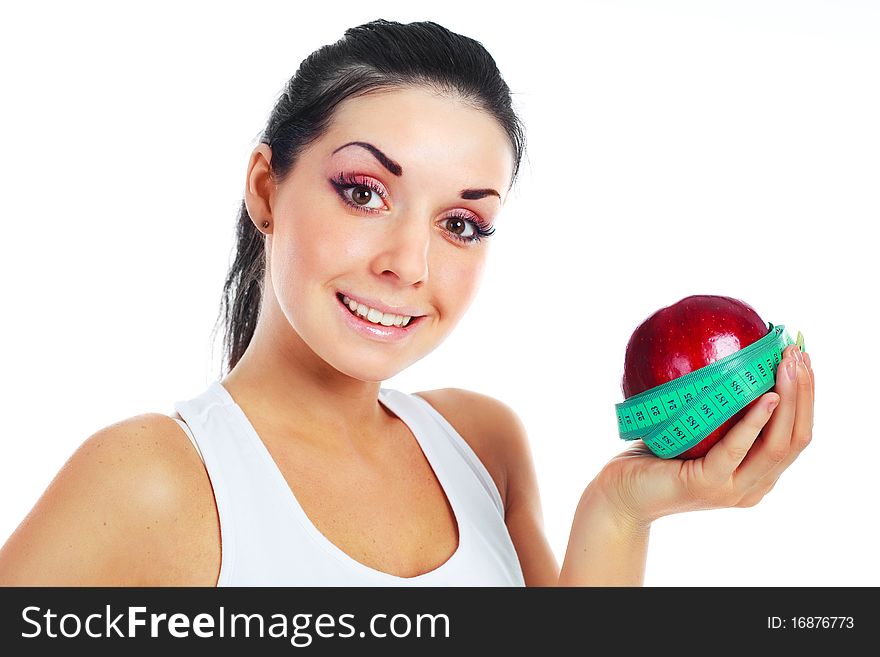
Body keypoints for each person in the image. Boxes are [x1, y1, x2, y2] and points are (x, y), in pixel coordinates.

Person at [0, 18, 813, 587]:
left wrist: (621, 510)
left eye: (461, 222)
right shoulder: (153, 479)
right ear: (265, 190)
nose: (407, 264)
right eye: (364, 191)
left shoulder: (481, 443)